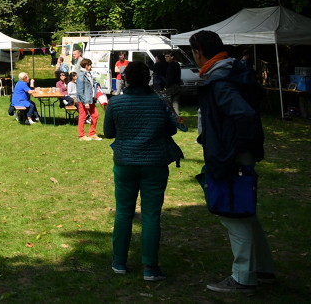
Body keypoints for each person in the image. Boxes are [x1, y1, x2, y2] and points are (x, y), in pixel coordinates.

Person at [189, 30, 275, 293]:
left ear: (199, 51)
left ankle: (243, 278)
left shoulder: (220, 78)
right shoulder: (231, 69)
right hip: (234, 152)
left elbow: (244, 115)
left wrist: (231, 151)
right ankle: (262, 270)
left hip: (231, 155)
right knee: (245, 214)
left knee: (234, 214)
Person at [104, 61, 183, 282]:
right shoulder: (160, 102)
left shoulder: (116, 103)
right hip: (155, 164)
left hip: (125, 163)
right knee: (150, 215)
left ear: (126, 79)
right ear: (147, 79)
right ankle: (149, 266)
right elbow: (171, 128)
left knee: (123, 212)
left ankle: (119, 261)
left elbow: (108, 132)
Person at [77, 58, 101, 140]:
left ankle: (92, 133)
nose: (91, 67)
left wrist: (96, 85)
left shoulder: (88, 74)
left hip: (90, 99)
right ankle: (81, 135)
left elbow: (90, 85)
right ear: (86, 65)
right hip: (84, 100)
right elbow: (80, 91)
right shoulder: (81, 75)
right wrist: (85, 102)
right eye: (90, 65)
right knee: (82, 117)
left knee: (95, 115)